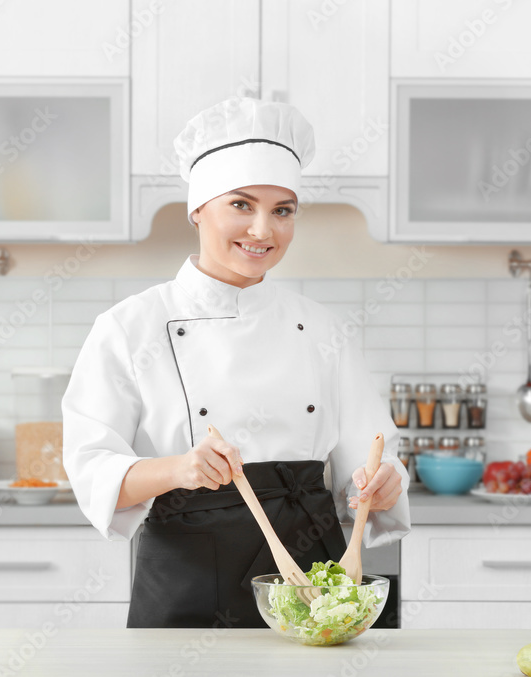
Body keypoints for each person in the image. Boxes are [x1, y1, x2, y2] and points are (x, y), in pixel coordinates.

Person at [62, 97, 410, 629]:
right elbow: (92, 469)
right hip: (190, 579)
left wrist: (381, 483)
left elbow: (369, 462)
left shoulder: (323, 330)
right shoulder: (130, 327)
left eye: (282, 211)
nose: (263, 231)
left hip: (316, 576)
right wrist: (180, 468)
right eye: (242, 205)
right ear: (198, 209)